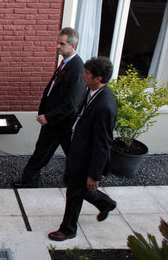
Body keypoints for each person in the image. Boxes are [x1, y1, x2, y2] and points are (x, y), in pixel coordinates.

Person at [48, 57, 118, 242]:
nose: (83, 75)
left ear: (98, 78)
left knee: (74, 194)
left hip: (85, 159)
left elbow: (102, 144)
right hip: (77, 151)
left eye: (87, 73)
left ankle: (68, 229)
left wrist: (94, 175)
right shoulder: (92, 92)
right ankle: (105, 203)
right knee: (74, 186)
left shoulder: (105, 106)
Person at [13, 27, 85, 188]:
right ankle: (30, 180)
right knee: (43, 151)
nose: (57, 46)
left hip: (62, 122)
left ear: (73, 46)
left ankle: (82, 182)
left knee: (68, 154)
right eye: (57, 42)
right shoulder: (66, 64)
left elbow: (72, 103)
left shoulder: (77, 68)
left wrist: (49, 116)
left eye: (62, 43)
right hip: (54, 120)